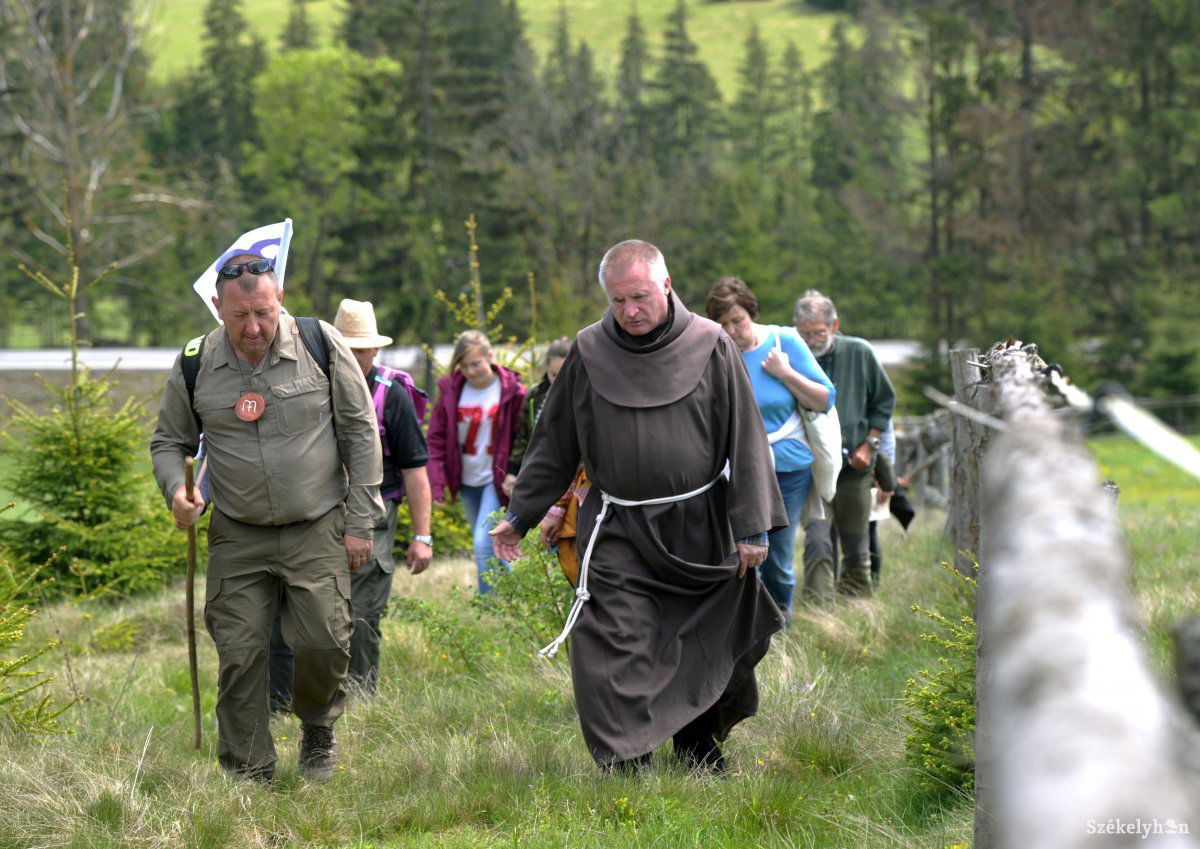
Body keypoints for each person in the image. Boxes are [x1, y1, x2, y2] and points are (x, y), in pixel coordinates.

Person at [490, 240, 786, 773]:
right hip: (618, 526)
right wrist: (519, 516)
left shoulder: (712, 344)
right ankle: (626, 757)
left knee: (699, 640)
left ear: (666, 286)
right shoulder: (588, 350)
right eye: (618, 300)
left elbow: (745, 437)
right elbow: (554, 442)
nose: (629, 311)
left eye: (640, 297)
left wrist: (752, 527)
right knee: (613, 639)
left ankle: (697, 746)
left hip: (698, 526)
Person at [150, 227, 384, 783]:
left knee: (324, 640)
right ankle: (248, 769)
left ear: (280, 296)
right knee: (240, 651)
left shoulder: (321, 343)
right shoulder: (195, 362)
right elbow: (168, 442)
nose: (253, 328)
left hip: (317, 525)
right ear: (217, 307)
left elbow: (361, 433)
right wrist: (177, 491)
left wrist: (360, 522)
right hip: (238, 531)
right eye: (239, 317)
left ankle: (318, 728)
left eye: (263, 312)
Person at [267, 299, 433, 706]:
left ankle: (360, 700)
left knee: (361, 610)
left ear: (375, 350)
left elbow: (415, 470)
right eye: (348, 349)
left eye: (363, 350)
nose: (355, 358)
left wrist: (422, 536)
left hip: (376, 512)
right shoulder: (311, 386)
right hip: (315, 511)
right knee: (292, 606)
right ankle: (283, 703)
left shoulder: (392, 395)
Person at [705, 276, 835, 619]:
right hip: (736, 470)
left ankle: (780, 624)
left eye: (738, 321)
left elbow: (825, 399)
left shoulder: (783, 341)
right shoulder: (714, 351)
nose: (731, 330)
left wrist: (785, 373)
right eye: (722, 324)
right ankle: (746, 628)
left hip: (787, 468)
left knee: (776, 555)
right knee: (738, 553)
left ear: (752, 313)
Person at [793, 290, 895, 600]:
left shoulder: (859, 352)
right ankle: (818, 606)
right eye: (804, 333)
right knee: (817, 540)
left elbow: (883, 403)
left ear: (834, 325)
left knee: (855, 544)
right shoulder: (791, 356)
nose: (811, 341)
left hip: (855, 468)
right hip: (812, 469)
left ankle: (855, 604)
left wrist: (870, 445)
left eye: (818, 333)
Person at [427, 330, 526, 593]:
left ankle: (489, 605)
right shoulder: (451, 391)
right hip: (466, 480)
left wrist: (515, 472)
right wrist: (437, 485)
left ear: (489, 357)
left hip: (497, 479)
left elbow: (523, 437)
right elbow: (435, 440)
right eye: (464, 366)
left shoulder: (513, 391)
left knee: (483, 544)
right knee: (492, 547)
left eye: (476, 363)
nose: (470, 371)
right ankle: (521, 595)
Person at [504, 337, 572, 498]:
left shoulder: (581, 397)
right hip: (539, 473)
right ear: (547, 368)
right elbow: (522, 438)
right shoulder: (535, 396)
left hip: (571, 477)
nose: (558, 382)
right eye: (554, 375)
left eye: (564, 375)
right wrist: (512, 472)